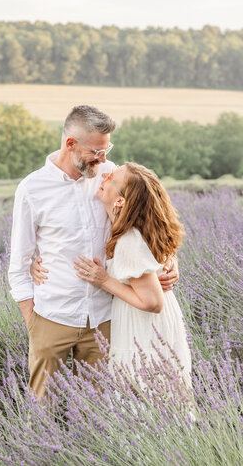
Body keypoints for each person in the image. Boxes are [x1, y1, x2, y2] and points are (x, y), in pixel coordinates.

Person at [8, 106, 179, 399]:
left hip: (105, 318)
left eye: (106, 149)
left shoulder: (111, 177)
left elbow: (149, 221)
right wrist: (32, 322)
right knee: (42, 411)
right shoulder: (32, 189)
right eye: (96, 151)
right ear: (70, 144)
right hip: (53, 316)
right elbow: (19, 264)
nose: (102, 159)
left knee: (96, 416)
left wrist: (168, 261)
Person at [73, 163, 191, 388]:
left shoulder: (129, 240)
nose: (104, 176)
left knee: (146, 395)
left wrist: (103, 280)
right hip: (154, 324)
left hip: (144, 327)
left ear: (120, 201)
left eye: (111, 177)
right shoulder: (135, 227)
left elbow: (153, 302)